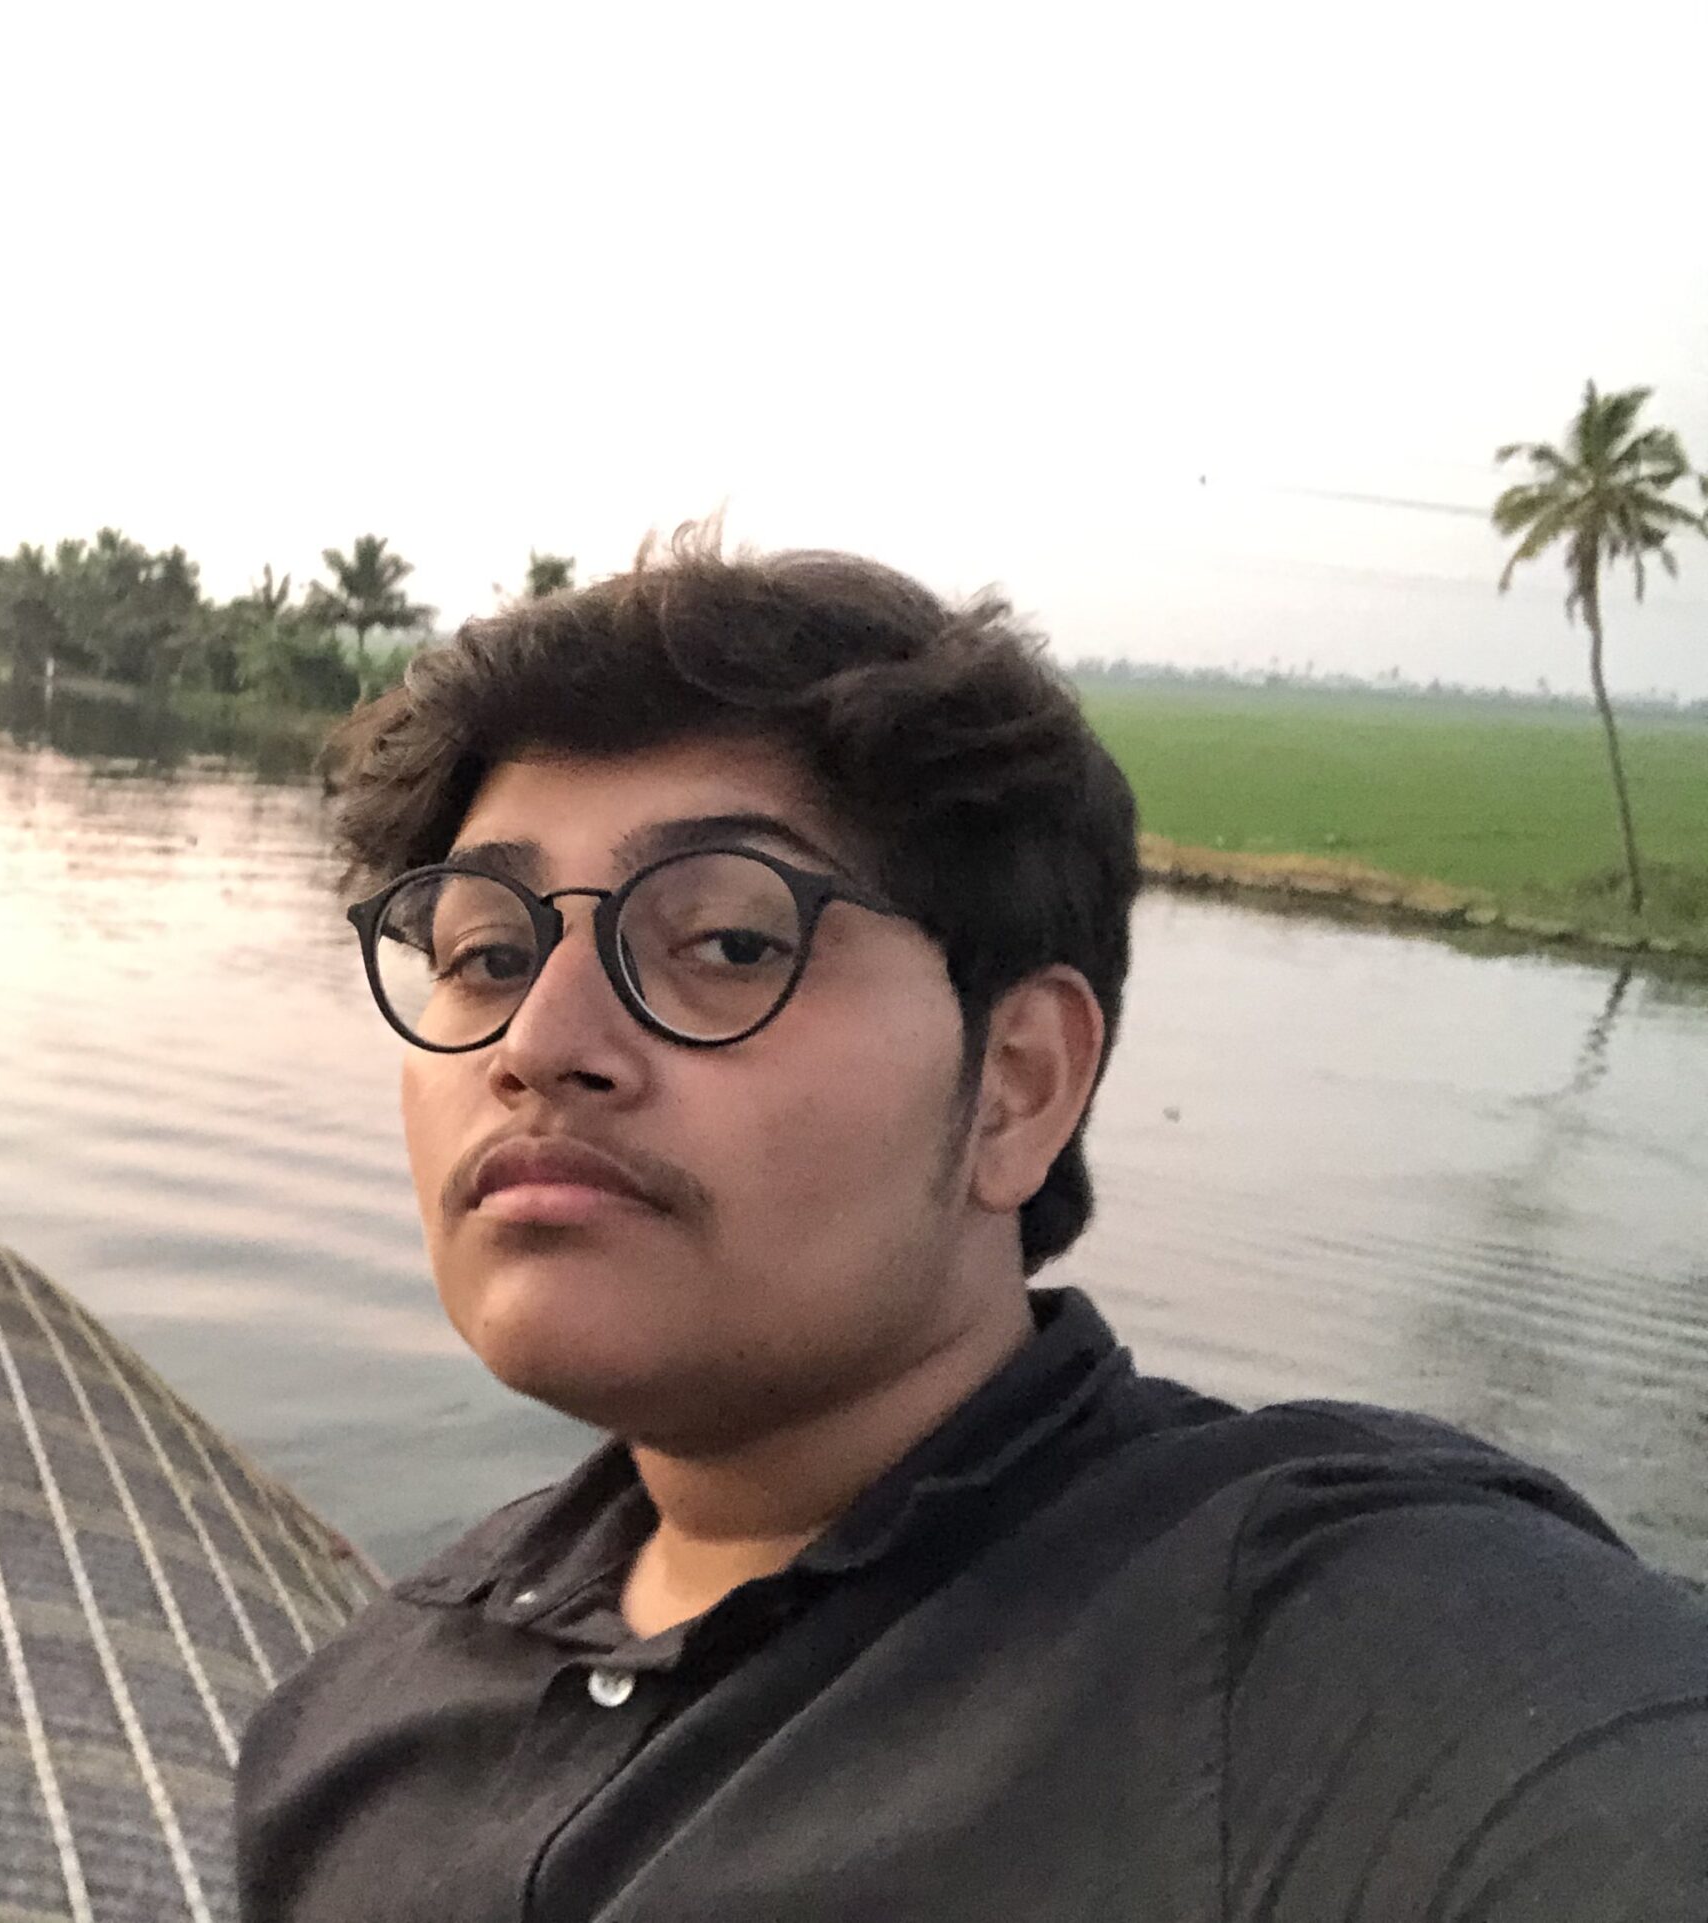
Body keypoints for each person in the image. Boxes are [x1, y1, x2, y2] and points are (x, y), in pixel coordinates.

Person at [230, 531, 1708, 1921]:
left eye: (729, 943)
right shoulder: (350, 1727)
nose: (541, 1041)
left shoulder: (1306, 1654)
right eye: (486, 952)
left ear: (1015, 1086)